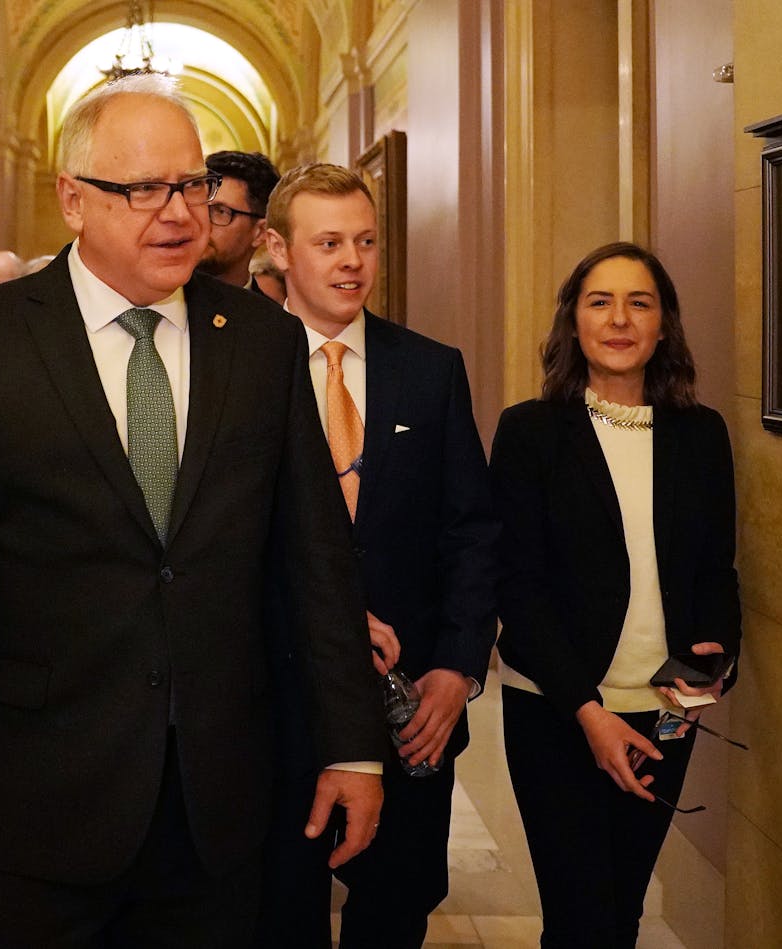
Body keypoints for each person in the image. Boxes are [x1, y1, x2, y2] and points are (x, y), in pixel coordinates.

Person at [0, 74, 385, 948]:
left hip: (214, 808)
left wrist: (352, 743)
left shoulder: (261, 342)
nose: (178, 212)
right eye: (142, 188)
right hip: (23, 811)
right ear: (72, 199)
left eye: (191, 186)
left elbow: (315, 559)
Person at [259, 163, 498, 949]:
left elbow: (470, 531)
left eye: (364, 241)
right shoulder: (237, 369)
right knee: (277, 913)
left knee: (394, 911)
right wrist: (324, 616)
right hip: (274, 701)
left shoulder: (430, 369)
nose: (351, 261)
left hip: (411, 709)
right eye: (328, 242)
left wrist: (458, 669)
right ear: (277, 249)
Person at [489, 242, 741, 948]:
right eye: (600, 301)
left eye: (640, 302)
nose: (620, 318)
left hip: (663, 712)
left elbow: (716, 571)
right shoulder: (530, 432)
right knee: (579, 917)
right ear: (573, 322)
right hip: (557, 711)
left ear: (664, 324)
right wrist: (590, 713)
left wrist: (699, 684)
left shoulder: (701, 433)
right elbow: (519, 587)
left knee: (621, 910)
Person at [199, 150, 279, 290]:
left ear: (260, 232)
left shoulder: (266, 312)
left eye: (221, 212)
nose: (202, 222)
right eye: (199, 205)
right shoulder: (154, 302)